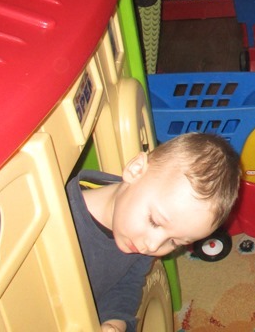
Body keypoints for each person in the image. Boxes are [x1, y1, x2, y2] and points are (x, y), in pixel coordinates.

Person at [66, 132, 241, 332]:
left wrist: (115, 322)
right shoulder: (58, 215)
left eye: (175, 242)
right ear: (135, 170)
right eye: (155, 222)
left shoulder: (138, 239)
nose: (152, 246)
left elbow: (125, 285)